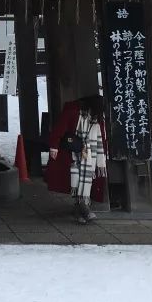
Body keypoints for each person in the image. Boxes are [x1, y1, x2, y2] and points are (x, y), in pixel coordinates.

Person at [49, 94, 106, 224]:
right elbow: (59, 130)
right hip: (73, 154)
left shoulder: (95, 118)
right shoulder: (74, 113)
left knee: (82, 180)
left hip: (88, 156)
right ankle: (84, 209)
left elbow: (100, 138)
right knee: (78, 179)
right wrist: (54, 147)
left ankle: (79, 210)